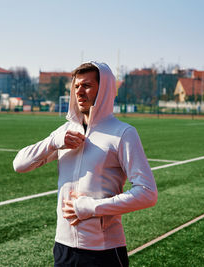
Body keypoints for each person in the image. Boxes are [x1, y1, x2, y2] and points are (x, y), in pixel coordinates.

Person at [13, 61, 158, 266]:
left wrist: (91, 207)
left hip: (104, 250)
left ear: (105, 90)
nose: (79, 92)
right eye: (76, 86)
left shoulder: (123, 133)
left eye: (87, 86)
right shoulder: (65, 132)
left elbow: (147, 193)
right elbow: (19, 164)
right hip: (63, 248)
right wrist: (53, 143)